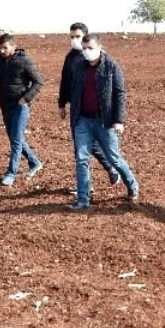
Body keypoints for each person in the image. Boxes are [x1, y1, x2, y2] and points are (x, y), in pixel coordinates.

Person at [64, 34, 139, 210]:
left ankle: (132, 185)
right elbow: (74, 90)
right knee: (82, 158)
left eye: (90, 48)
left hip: (104, 121)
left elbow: (119, 94)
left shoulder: (112, 67)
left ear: (99, 47)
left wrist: (119, 120)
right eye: (84, 48)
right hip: (83, 120)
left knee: (114, 158)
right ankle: (83, 199)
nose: (87, 52)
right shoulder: (79, 67)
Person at [59, 22, 119, 197]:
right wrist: (61, 104)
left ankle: (90, 183)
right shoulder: (70, 57)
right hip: (76, 109)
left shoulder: (96, 58)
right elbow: (65, 82)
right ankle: (102, 175)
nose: (74, 40)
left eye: (77, 36)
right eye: (71, 37)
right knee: (83, 147)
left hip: (95, 111)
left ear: (86, 36)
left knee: (85, 147)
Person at [0, 33, 45, 186]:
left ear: (13, 47)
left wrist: (25, 99)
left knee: (15, 139)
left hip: (21, 107)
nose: (1, 51)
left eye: (5, 48)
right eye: (0, 48)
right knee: (16, 139)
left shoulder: (24, 61)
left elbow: (39, 82)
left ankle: (11, 173)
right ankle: (35, 162)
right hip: (5, 106)